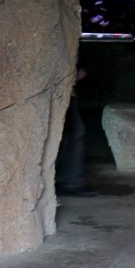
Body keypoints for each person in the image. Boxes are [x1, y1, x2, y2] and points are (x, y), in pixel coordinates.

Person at [55, 64, 95, 196]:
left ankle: (67, 180)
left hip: (63, 92)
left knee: (69, 136)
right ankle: (71, 182)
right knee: (74, 135)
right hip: (63, 93)